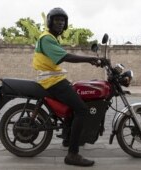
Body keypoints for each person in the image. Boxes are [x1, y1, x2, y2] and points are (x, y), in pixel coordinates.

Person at [32, 7, 105, 167]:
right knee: (81, 110)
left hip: (55, 78)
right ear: (50, 21)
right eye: (57, 20)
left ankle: (67, 138)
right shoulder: (46, 38)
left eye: (63, 21)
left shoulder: (51, 38)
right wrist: (89, 59)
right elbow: (66, 56)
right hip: (51, 81)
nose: (60, 23)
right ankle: (72, 154)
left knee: (76, 101)